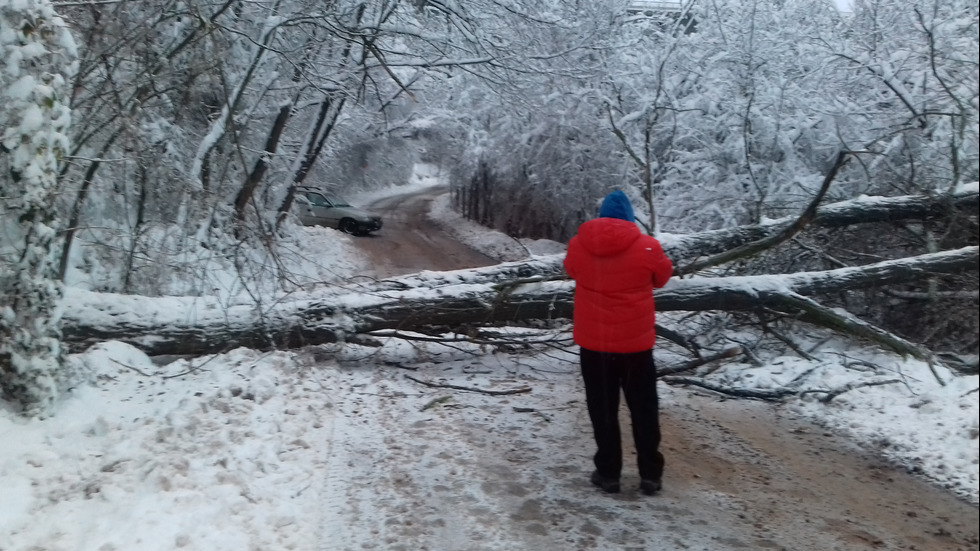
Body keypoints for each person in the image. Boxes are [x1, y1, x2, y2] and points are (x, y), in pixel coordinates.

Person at [563, 190, 674, 495]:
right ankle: (650, 474)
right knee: (644, 409)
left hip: (595, 347)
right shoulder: (649, 248)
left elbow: (571, 270)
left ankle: (609, 473)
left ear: (601, 217)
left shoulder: (578, 246)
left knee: (602, 409)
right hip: (636, 348)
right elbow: (663, 277)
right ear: (629, 217)